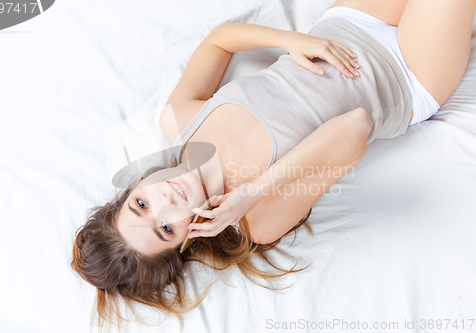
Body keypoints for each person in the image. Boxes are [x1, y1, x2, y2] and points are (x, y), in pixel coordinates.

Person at [71, 0, 476, 328]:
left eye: (140, 205)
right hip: (406, 74)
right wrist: (249, 194)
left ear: (133, 189)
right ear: (185, 240)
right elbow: (356, 127)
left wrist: (291, 41)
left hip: (345, 25)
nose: (164, 202)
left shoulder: (178, 121)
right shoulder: (257, 219)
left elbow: (219, 42)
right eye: (164, 228)